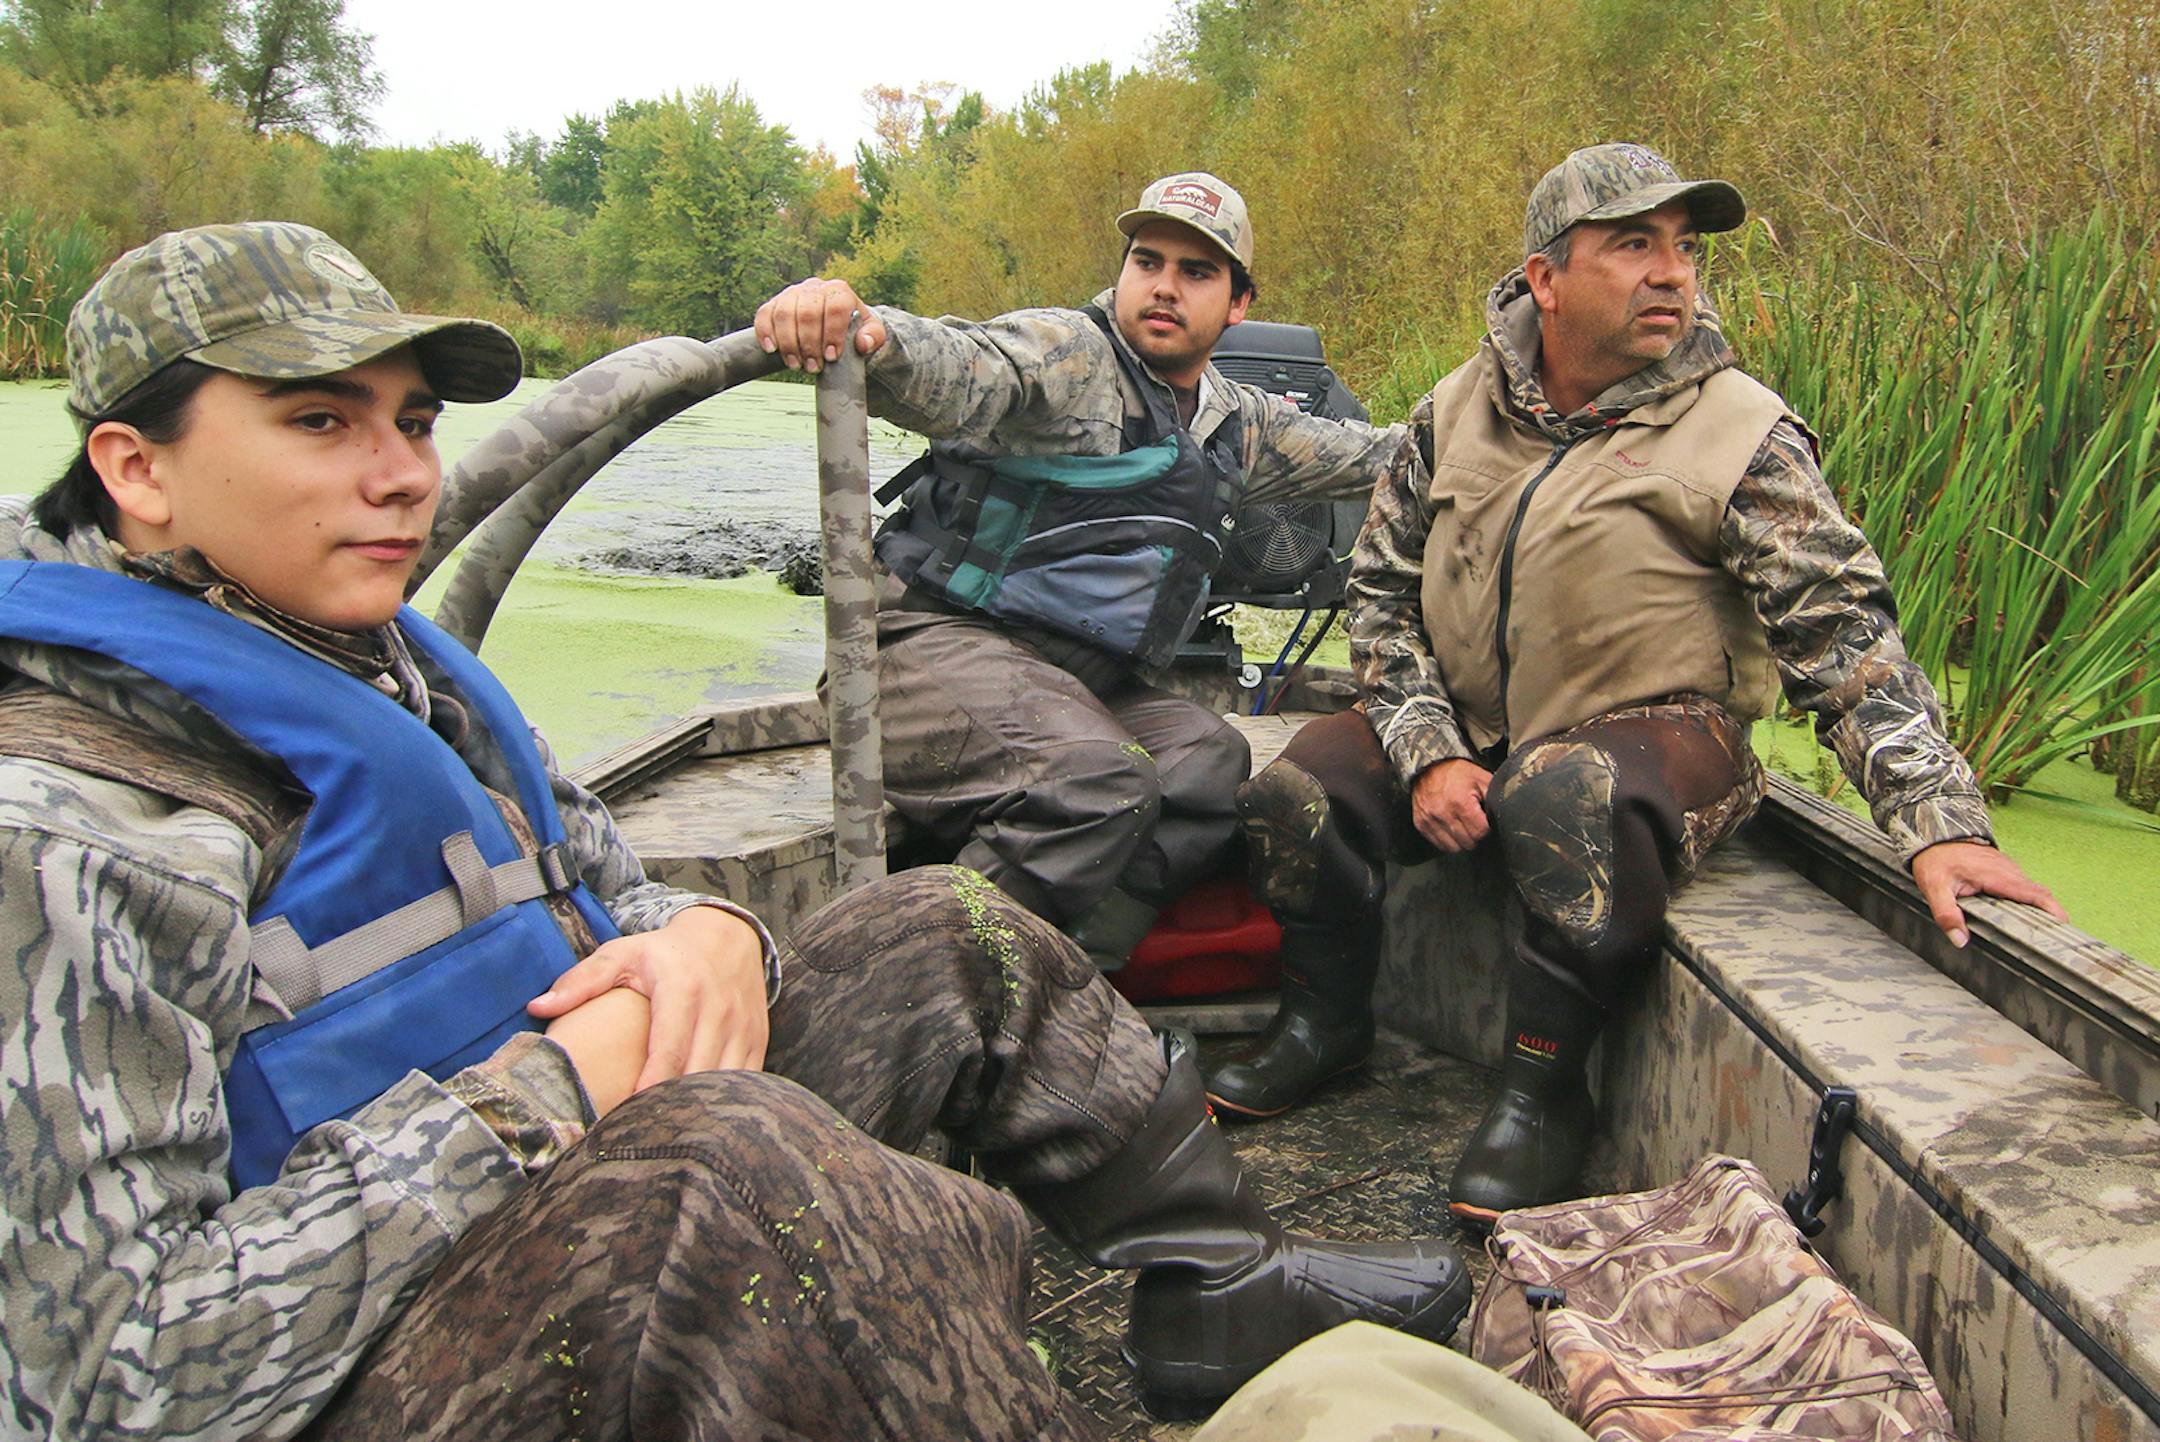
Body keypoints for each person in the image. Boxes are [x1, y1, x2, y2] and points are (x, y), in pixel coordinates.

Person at [0, 222, 1471, 1440]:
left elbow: (617, 892)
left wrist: (704, 930)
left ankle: (1221, 1282)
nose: (401, 475)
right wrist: (542, 1096)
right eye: (319, 421)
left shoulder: (399, 674)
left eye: (414, 423)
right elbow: (114, 1374)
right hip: (364, 1360)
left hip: (566, 1163)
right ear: (138, 470)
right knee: (725, 1155)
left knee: (937, 929)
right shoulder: (65, 831)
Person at [1209, 144, 2066, 1229]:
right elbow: (1379, 596)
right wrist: (1427, 747)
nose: (1673, 273)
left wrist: (1936, 818)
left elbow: (1845, 631)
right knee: (1300, 786)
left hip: (1659, 734)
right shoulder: (1451, 412)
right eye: (1633, 245)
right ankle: (1324, 1021)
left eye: (1684, 249)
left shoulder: (1742, 430)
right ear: (1546, 279)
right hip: (1473, 724)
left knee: (1565, 792)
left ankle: (1541, 1091)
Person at [754, 172, 1402, 969]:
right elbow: (957, 364)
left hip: (1071, 687)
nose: (1164, 287)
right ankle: (913, 982)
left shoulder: (1239, 422)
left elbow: (1380, 458)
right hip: (921, 650)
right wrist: (864, 328)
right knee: (1095, 778)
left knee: (1209, 763)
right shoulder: (1067, 356)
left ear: (1237, 304)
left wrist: (1500, 427)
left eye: (1197, 272)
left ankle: (1075, 967)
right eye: (1148, 261)